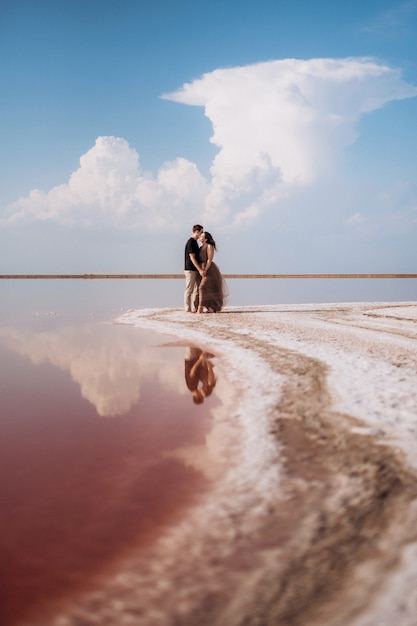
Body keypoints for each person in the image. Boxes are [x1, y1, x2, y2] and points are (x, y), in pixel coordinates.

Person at [197, 231, 226, 313]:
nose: (200, 237)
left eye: (202, 236)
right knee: (206, 288)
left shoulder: (209, 246)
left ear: (205, 239)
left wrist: (205, 270)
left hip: (209, 269)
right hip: (201, 267)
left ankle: (200, 307)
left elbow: (209, 259)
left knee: (202, 287)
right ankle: (210, 307)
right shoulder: (200, 248)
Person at [184, 224, 204, 313]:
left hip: (195, 269)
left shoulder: (195, 242)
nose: (202, 234)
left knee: (197, 288)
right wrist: (199, 269)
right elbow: (192, 257)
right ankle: (187, 308)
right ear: (197, 232)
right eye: (201, 232)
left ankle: (194, 307)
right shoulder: (191, 242)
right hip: (190, 269)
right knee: (189, 289)